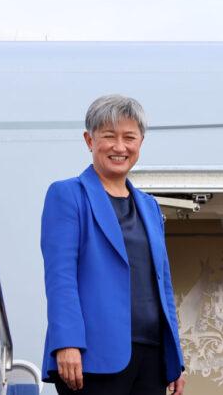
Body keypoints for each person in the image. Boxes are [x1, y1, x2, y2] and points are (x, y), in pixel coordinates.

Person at [40, 94, 185, 395]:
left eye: (129, 137)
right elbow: (60, 277)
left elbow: (164, 285)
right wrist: (67, 342)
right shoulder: (67, 195)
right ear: (89, 140)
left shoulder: (149, 206)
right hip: (92, 355)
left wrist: (175, 359)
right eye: (109, 136)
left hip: (152, 355)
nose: (120, 147)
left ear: (140, 142)